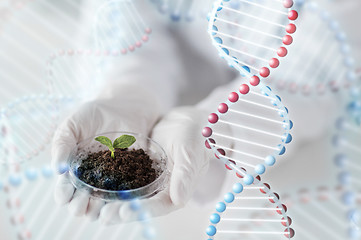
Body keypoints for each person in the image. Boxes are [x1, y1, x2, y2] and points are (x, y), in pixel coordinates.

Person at [51, 0, 361, 225]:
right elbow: (127, 14)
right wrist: (127, 89)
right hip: (184, 71)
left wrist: (215, 126)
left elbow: (308, 79)